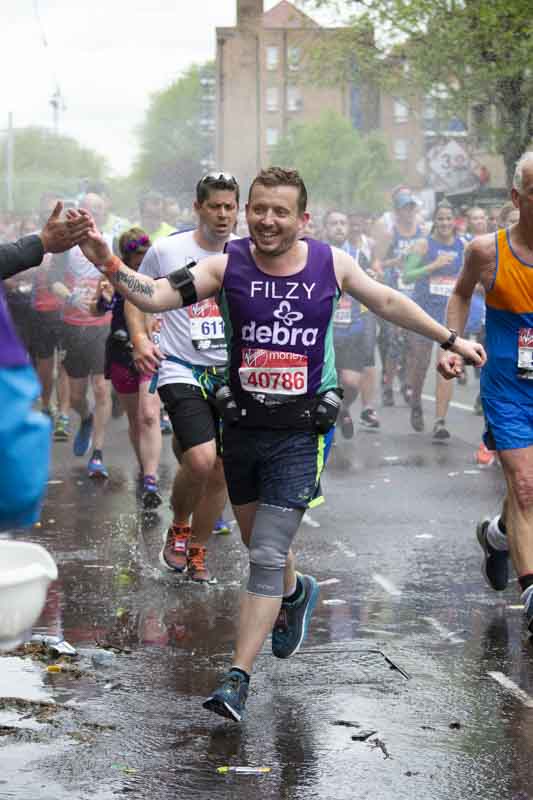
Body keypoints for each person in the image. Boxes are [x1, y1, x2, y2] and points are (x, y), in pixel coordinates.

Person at [73, 166, 484, 723]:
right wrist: (107, 261)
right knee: (255, 543)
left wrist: (450, 338)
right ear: (248, 213)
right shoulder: (227, 264)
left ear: (302, 219)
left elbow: (387, 301)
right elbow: (159, 295)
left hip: (302, 430)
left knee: (265, 553)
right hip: (243, 426)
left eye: (280, 211)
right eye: (259, 209)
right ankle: (295, 593)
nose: (267, 220)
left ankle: (236, 678)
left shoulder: (330, 263)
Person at [125, 171, 239, 581]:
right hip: (180, 365)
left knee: (221, 467)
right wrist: (140, 339)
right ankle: (179, 526)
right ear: (198, 208)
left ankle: (198, 549)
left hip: (230, 371)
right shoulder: (167, 250)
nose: (223, 214)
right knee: (201, 459)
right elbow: (137, 295)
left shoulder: (247, 254)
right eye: (215, 206)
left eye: (230, 207)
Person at [438, 151, 533, 635]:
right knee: (525, 485)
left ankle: (496, 536)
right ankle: (531, 591)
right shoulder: (486, 250)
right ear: (517, 196)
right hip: (509, 388)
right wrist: (451, 343)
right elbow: (459, 293)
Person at [92, 228, 163, 508]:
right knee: (135, 419)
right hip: (121, 353)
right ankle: (144, 466)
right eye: (137, 255)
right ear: (127, 256)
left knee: (149, 415)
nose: (142, 259)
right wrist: (103, 299)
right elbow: (97, 309)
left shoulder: (160, 277)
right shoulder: (113, 277)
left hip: (151, 352)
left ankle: (151, 478)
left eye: (146, 254)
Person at [49, 192, 113, 478]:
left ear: (104, 212)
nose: (94, 214)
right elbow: (53, 282)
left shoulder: (110, 241)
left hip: (103, 326)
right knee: (76, 396)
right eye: (89, 209)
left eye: (98, 209)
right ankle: (85, 418)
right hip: (73, 325)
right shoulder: (66, 244)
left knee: (100, 388)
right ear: (81, 212)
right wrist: (72, 297)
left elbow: (125, 276)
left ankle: (97, 454)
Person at [403, 201, 466, 438]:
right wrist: (433, 266)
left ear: (454, 221)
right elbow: (407, 276)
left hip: (449, 315)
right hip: (424, 313)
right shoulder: (423, 245)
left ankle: (440, 420)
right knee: (420, 364)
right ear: (435, 221)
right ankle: (416, 403)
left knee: (447, 365)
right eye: (440, 218)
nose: (444, 223)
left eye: (448, 218)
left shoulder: (463, 246)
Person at [372, 188, 423, 406]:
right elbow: (376, 264)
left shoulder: (422, 233)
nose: (408, 212)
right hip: (394, 294)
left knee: (413, 344)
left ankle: (408, 385)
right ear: (397, 211)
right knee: (394, 344)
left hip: (416, 295)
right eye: (404, 208)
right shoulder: (390, 234)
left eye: (411, 207)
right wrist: (395, 262)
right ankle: (387, 386)